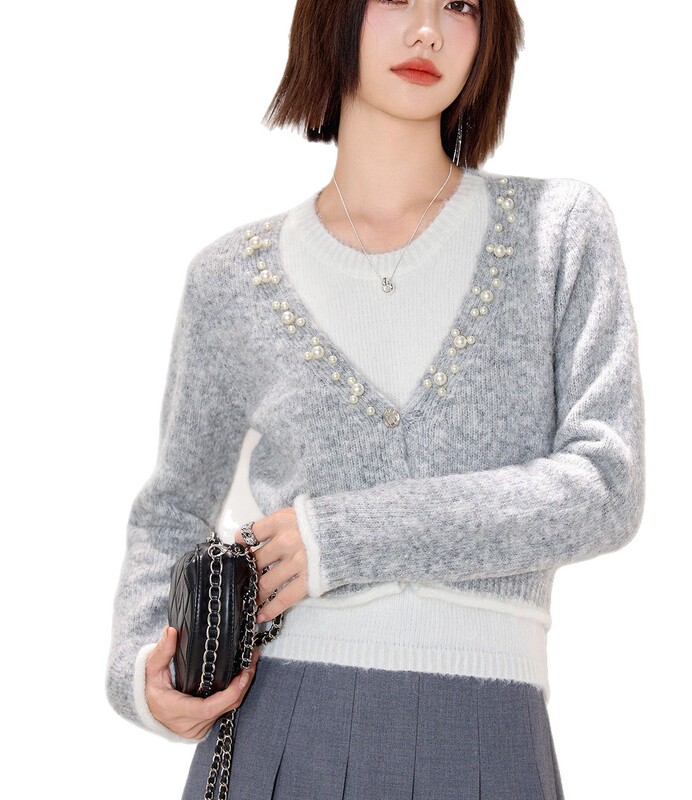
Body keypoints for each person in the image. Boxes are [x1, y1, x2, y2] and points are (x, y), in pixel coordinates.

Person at [106, 0, 646, 797]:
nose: (427, 29)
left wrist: (342, 538)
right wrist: (142, 672)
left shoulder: (560, 231)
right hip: (280, 729)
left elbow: (606, 487)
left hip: (490, 736)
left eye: (459, 5)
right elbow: (174, 510)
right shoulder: (230, 279)